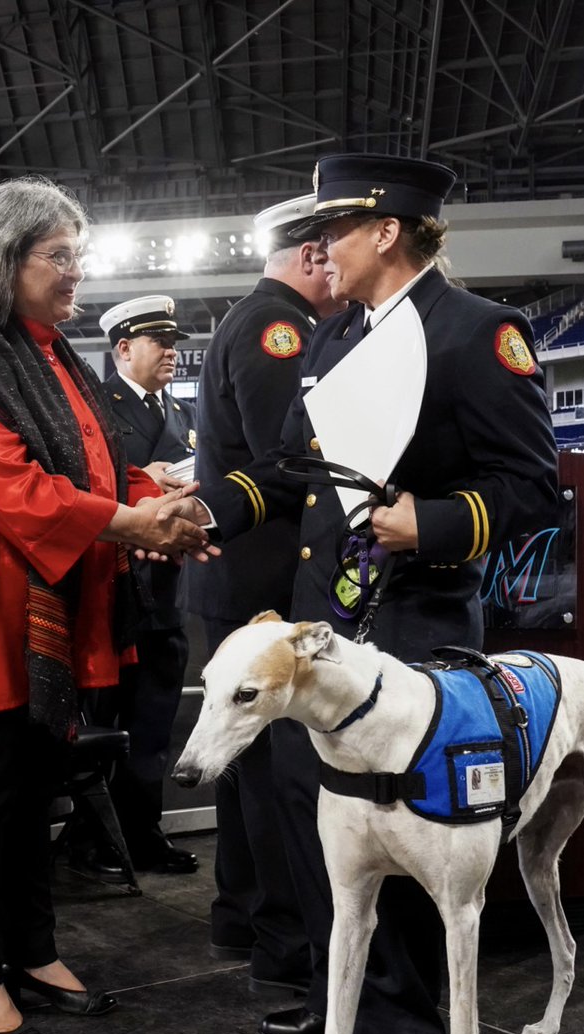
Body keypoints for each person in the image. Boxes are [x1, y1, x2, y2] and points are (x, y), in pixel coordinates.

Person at [179, 153, 558, 1034]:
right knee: (331, 830)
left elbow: (529, 485)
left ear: (388, 231)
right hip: (330, 629)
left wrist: (427, 522)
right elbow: (291, 469)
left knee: (412, 831)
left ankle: (410, 1024)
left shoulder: (480, 334)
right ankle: (355, 995)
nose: (319, 250)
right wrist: (202, 513)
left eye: (335, 231)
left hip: (417, 625)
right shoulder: (337, 332)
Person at [0, 177, 213, 1034]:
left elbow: (103, 462)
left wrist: (167, 509)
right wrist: (131, 520)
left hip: (43, 606)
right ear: (5, 260)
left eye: (79, 255)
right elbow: (18, 490)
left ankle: (32, 953)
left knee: (34, 789)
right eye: (58, 256)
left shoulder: (49, 350)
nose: (76, 272)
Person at [189, 194, 341, 991]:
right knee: (281, 772)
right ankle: (286, 941)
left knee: (248, 767)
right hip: (264, 582)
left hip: (239, 577)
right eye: (336, 256)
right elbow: (294, 461)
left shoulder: (254, 319)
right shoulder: (278, 328)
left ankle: (244, 916)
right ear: (313, 255)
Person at [85, 295, 199, 875]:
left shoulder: (179, 415)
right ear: (124, 349)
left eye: (175, 343)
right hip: (112, 591)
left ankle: (142, 833)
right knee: (101, 721)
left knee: (153, 723)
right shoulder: (97, 409)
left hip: (165, 590)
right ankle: (94, 838)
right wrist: (143, 481)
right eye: (161, 343)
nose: (173, 353)